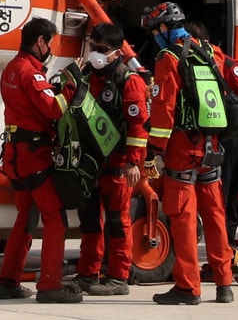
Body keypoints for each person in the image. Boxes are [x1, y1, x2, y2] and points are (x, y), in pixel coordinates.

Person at [143, 2, 235, 305]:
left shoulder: (168, 58)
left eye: (156, 30)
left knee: (182, 218)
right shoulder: (210, 52)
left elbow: (164, 110)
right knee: (214, 215)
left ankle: (188, 287)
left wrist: (153, 151)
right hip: (212, 145)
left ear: (165, 28)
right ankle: (224, 283)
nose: (156, 36)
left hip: (183, 149)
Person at [0, 16, 82, 304]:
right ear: (40, 41)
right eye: (51, 42)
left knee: (25, 218)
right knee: (55, 219)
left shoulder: (12, 68)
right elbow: (54, 109)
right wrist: (71, 82)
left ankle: (8, 282)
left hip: (15, 156)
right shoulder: (31, 74)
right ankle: (50, 286)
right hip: (33, 157)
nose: (51, 49)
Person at [186, 21, 238, 278]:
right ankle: (233, 254)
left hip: (236, 140)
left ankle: (230, 256)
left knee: (229, 200)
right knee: (236, 199)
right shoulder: (203, 63)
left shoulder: (227, 65)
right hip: (228, 139)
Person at [69, 22, 148, 296]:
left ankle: (118, 277)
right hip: (89, 163)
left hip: (117, 164)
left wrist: (133, 162)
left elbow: (138, 126)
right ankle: (88, 273)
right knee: (89, 222)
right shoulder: (87, 75)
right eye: (93, 47)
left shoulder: (129, 81)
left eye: (101, 49)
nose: (95, 54)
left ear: (116, 52)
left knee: (117, 221)